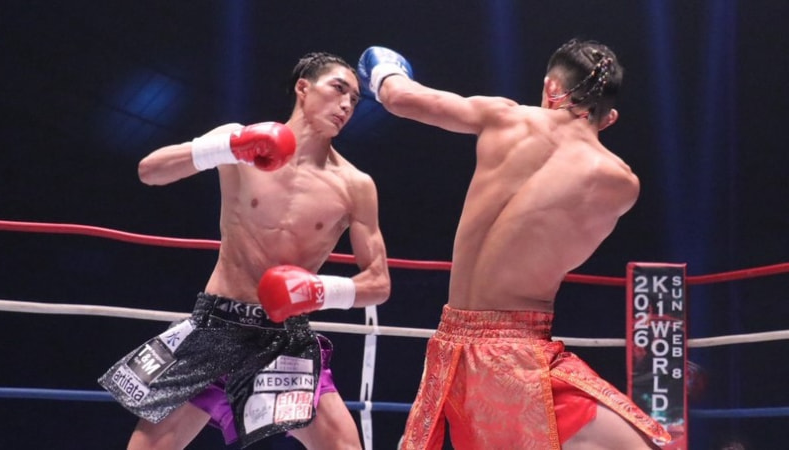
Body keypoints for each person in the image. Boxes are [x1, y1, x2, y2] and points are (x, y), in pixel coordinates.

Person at [357, 41, 672, 449]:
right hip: (517, 362)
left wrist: (383, 69)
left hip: (450, 355)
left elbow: (400, 98)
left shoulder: (503, 116)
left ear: (551, 87)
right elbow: (568, 254)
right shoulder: (620, 182)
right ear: (610, 117)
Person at [99, 52, 391, 450]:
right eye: (338, 89)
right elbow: (150, 170)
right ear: (303, 88)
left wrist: (319, 290)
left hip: (284, 338)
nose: (346, 105)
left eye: (354, 100)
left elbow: (379, 283)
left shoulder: (356, 185)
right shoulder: (240, 143)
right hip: (217, 326)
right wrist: (230, 146)